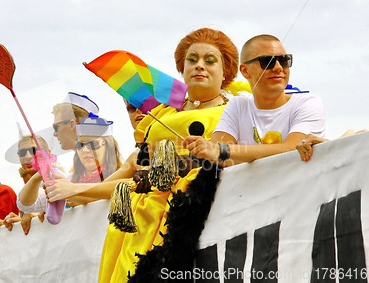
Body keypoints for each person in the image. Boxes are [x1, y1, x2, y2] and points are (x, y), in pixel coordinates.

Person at [99, 27, 241, 283]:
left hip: (184, 217)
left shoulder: (234, 113)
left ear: (225, 72)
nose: (200, 66)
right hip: (134, 219)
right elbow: (129, 172)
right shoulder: (161, 114)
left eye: (210, 60)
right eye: (192, 59)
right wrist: (67, 195)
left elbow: (232, 160)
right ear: (182, 68)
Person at [184, 34, 326, 164]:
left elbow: (292, 150)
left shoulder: (308, 103)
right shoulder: (237, 105)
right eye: (267, 62)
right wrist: (220, 153)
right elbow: (218, 161)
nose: (278, 67)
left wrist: (223, 151)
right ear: (245, 71)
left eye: (284, 60)